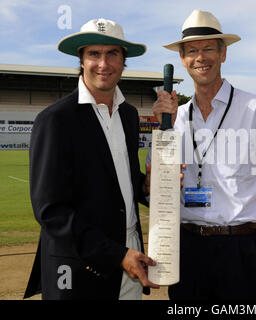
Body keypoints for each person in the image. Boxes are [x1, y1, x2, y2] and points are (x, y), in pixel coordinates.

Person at [151, 10, 256, 300]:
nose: (200, 57)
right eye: (192, 50)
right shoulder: (174, 117)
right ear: (182, 58)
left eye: (208, 49)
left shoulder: (255, 108)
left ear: (223, 54)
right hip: (189, 249)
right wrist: (161, 131)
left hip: (242, 248)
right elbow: (156, 188)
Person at [24, 18, 159, 300]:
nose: (104, 64)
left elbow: (120, 178)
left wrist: (146, 186)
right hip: (79, 270)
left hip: (131, 258)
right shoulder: (55, 120)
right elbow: (51, 211)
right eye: (94, 54)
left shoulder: (128, 115)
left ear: (124, 61)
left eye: (112, 54)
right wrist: (117, 254)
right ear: (81, 60)